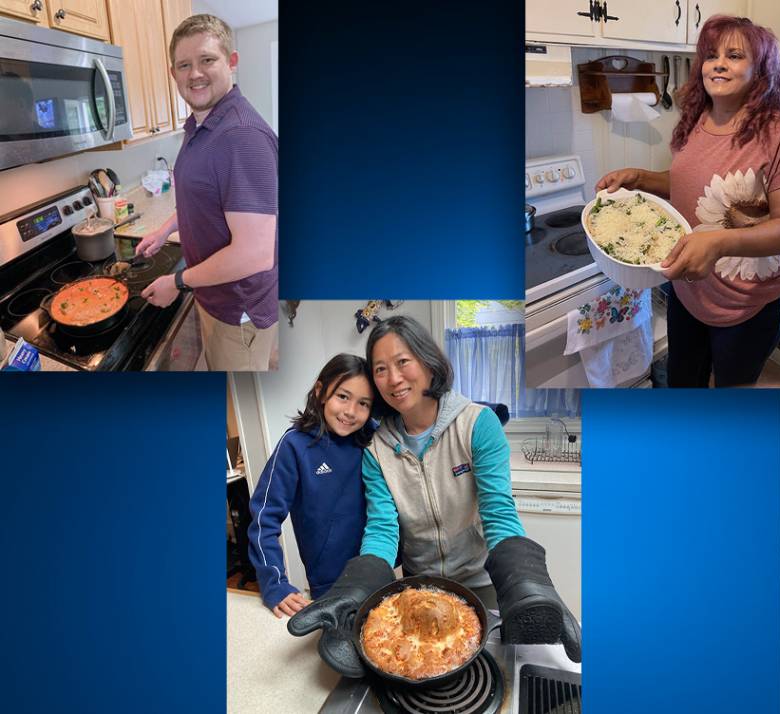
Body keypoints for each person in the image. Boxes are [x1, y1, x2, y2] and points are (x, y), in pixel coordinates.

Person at [288, 316, 581, 678]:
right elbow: (382, 528)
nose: (393, 378)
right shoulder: (376, 448)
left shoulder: (478, 424)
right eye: (380, 369)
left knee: (496, 673)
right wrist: (356, 589)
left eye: (402, 362)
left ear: (428, 361)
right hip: (416, 589)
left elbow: (499, 514)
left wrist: (528, 581)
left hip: (483, 586)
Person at [595, 15, 780, 388]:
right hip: (688, 289)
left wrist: (716, 240)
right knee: (684, 383)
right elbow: (688, 184)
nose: (719, 64)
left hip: (748, 301)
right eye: (711, 55)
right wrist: (640, 178)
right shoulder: (697, 119)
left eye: (734, 55)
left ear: (761, 70)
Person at [138, 14, 278, 372]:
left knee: (235, 402)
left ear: (231, 62)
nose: (194, 74)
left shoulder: (241, 136)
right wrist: (165, 230)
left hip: (238, 310)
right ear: (173, 74)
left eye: (207, 60)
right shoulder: (201, 123)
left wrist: (178, 281)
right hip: (214, 293)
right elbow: (201, 195)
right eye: (184, 65)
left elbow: (254, 254)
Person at [247, 354, 375, 619]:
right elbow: (263, 518)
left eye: (363, 403)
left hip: (379, 572)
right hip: (329, 584)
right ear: (321, 391)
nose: (351, 411)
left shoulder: (374, 437)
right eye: (343, 396)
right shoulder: (294, 445)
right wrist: (274, 583)